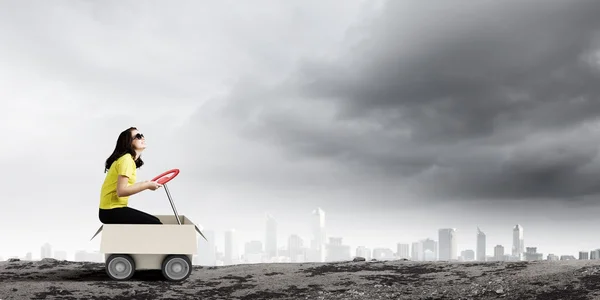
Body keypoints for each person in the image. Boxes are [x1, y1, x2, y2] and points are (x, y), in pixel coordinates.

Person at [98, 127, 163, 224]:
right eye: (138, 136)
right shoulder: (126, 160)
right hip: (110, 210)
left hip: (112, 209)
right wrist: (147, 185)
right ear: (129, 142)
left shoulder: (128, 160)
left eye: (142, 135)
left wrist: (146, 183)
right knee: (156, 223)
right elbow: (121, 191)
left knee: (155, 221)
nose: (142, 138)